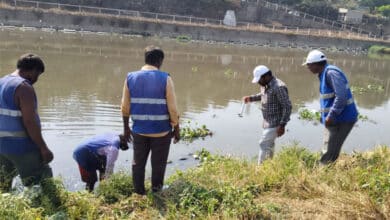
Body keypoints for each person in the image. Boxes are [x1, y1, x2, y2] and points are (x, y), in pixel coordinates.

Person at [121, 45, 180, 195]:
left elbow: (125, 107)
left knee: (138, 163)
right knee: (158, 164)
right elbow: (172, 108)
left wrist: (126, 128)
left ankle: (139, 191)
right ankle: (156, 191)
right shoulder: (165, 78)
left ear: (145, 59)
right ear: (160, 61)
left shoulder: (130, 77)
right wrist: (176, 128)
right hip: (161, 132)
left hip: (139, 131)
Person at [0, 53, 54, 192]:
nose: (36, 79)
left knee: (3, 186)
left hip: (1, 147)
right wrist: (43, 147)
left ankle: (7, 212)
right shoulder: (24, 87)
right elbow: (29, 121)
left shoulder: (2, 82)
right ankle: (46, 212)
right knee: (42, 184)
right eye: (38, 75)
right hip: (22, 147)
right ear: (33, 70)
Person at [303, 49, 358, 165]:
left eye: (309, 65)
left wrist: (331, 115)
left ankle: (323, 174)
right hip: (335, 119)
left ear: (316, 64)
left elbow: (341, 97)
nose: (308, 68)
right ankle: (325, 169)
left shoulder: (331, 73)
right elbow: (329, 99)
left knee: (330, 149)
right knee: (329, 146)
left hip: (342, 119)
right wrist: (323, 116)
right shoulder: (324, 74)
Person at [243, 65, 292, 165]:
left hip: (275, 123)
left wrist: (282, 125)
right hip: (267, 122)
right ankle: (268, 166)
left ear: (266, 76)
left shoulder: (279, 87)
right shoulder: (265, 85)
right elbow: (263, 96)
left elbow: (287, 106)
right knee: (268, 146)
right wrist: (251, 98)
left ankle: (261, 169)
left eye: (259, 80)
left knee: (264, 143)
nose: (258, 82)